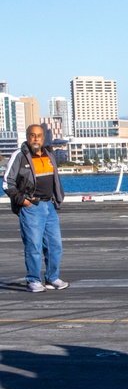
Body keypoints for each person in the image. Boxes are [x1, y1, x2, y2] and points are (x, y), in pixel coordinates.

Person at [4, 125, 68, 292]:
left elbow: (55, 179)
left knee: (55, 245)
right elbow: (6, 183)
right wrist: (23, 201)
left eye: (39, 135)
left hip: (50, 206)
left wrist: (57, 198)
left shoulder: (49, 154)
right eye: (32, 135)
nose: (36, 139)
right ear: (27, 137)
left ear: (43, 137)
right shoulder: (19, 156)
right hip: (32, 207)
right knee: (33, 245)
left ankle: (52, 277)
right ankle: (33, 279)